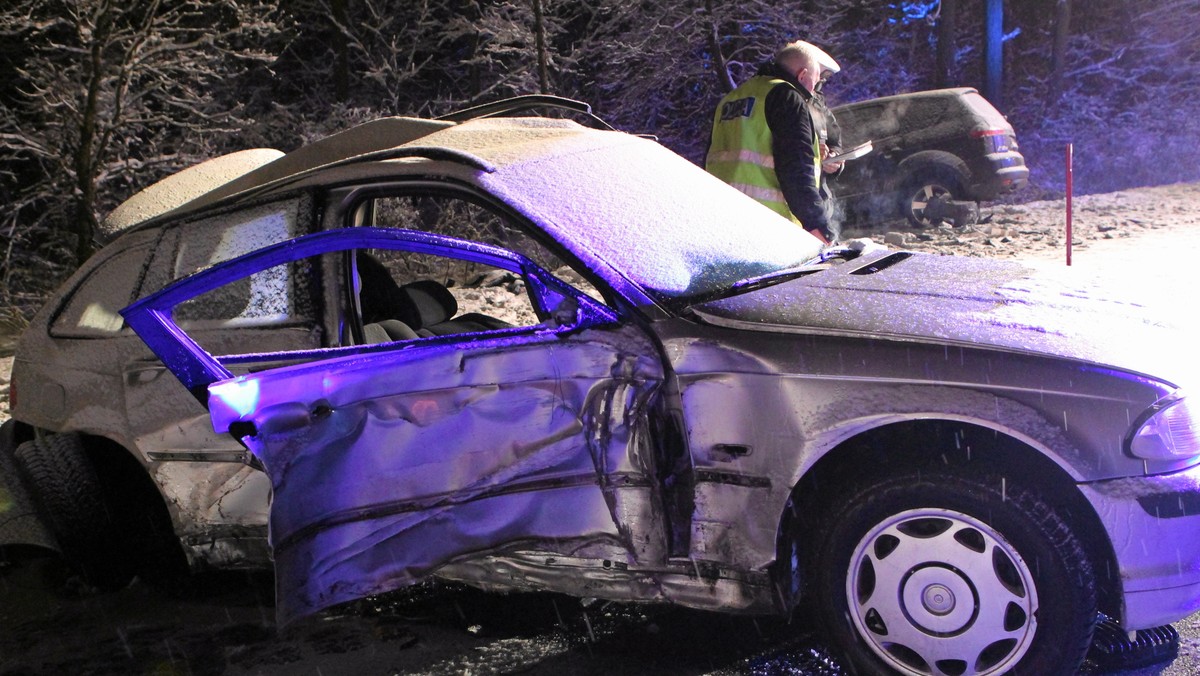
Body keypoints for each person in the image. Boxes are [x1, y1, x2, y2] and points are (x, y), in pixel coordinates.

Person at [706, 40, 839, 243]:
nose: (813, 92)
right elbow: (795, 168)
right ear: (802, 75)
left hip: (724, 218)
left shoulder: (732, 98)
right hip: (770, 224)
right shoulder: (787, 97)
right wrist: (818, 224)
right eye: (815, 81)